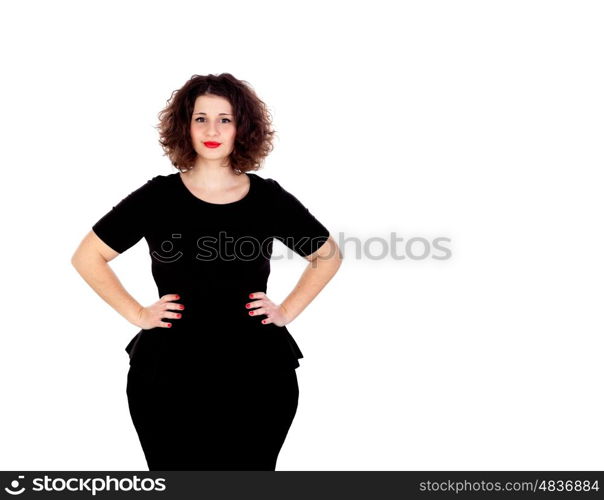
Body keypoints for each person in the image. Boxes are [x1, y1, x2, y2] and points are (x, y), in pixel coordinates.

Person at [70, 73, 342, 471]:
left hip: (258, 374)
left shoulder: (267, 198)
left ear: (242, 128)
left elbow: (327, 255)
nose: (212, 130)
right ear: (185, 126)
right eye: (201, 118)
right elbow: (87, 256)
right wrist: (138, 314)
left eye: (225, 119)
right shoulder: (158, 196)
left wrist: (287, 310)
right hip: (167, 375)